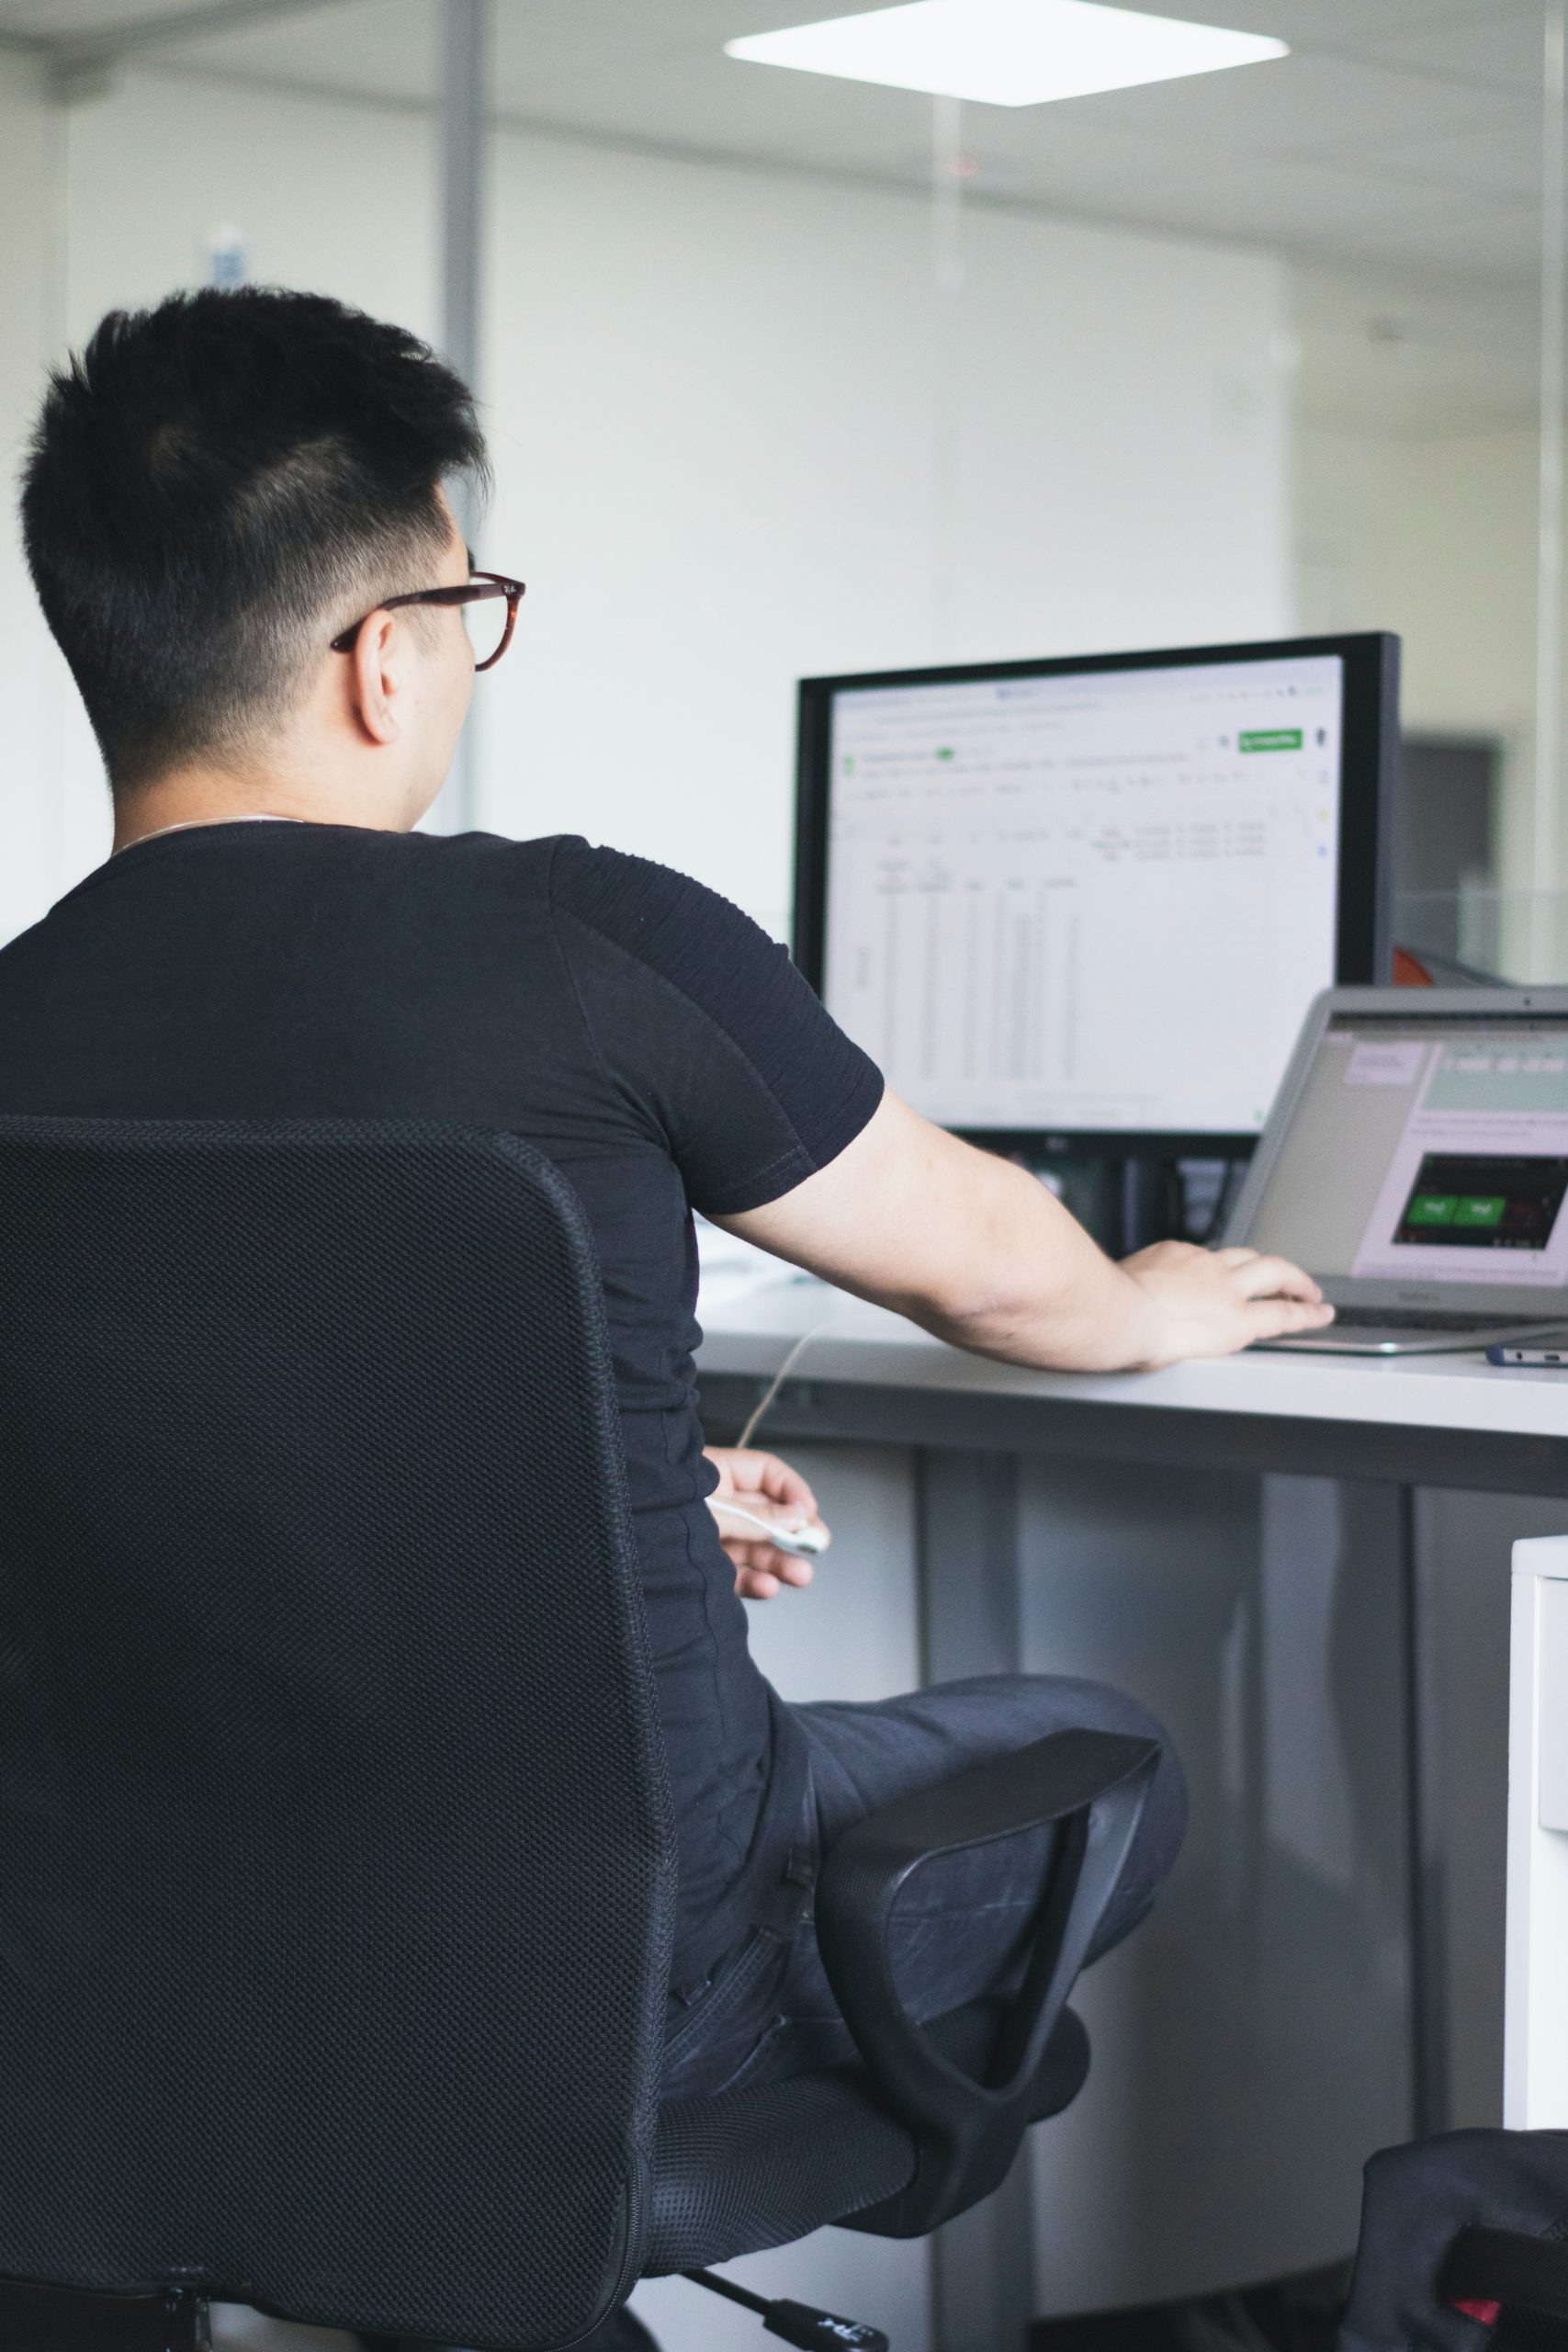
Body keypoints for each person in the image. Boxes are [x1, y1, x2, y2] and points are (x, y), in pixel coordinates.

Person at [5, 287, 1333, 2115]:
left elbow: (161, 1456)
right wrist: (1151, 1293)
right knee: (1104, 1745)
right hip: (649, 1958)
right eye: (471, 611)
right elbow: (1010, 1281)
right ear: (384, 656)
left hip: (142, 1952)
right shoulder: (585, 940)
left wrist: (602, 1501)